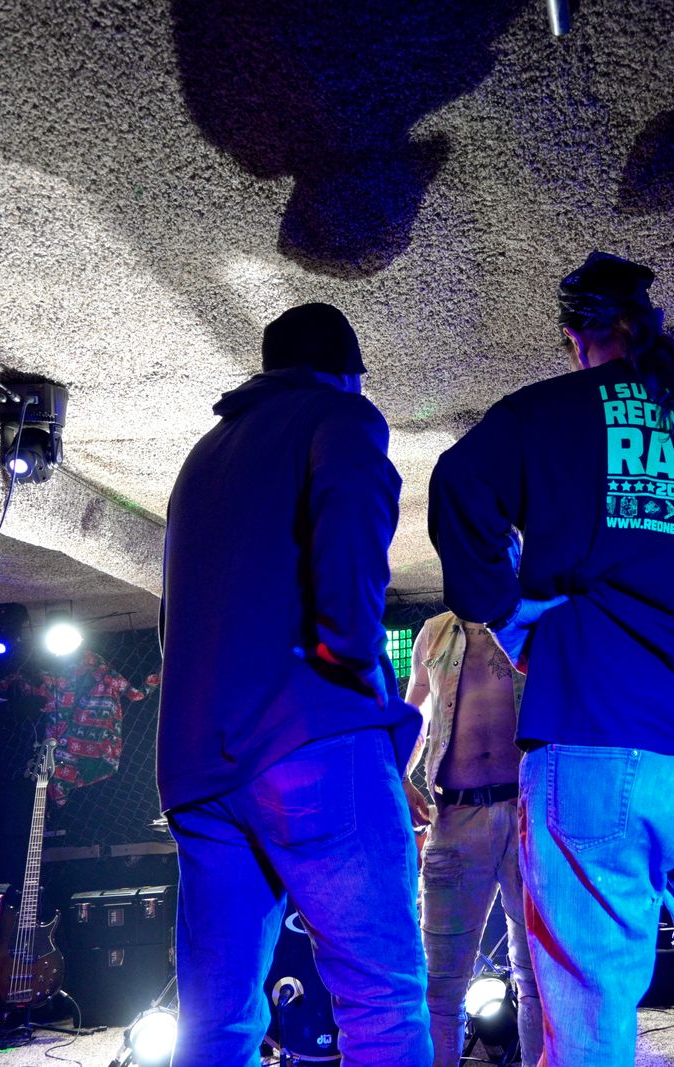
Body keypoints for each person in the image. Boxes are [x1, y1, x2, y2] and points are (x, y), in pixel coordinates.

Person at [428, 252, 674, 1067]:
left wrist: (501, 606)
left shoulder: (550, 411)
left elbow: (457, 482)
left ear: (575, 336)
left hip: (600, 746)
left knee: (589, 1034)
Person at [158, 302, 429, 1067]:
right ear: (348, 371)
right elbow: (349, 567)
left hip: (199, 769)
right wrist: (355, 665)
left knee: (214, 1022)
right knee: (381, 998)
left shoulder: (201, 456)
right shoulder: (341, 415)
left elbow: (174, 620)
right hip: (310, 741)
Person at [404, 577, 545, 1067]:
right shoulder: (433, 633)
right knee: (441, 989)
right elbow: (414, 714)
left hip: (529, 817)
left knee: (537, 981)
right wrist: (398, 775)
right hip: (456, 818)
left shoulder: (535, 619)